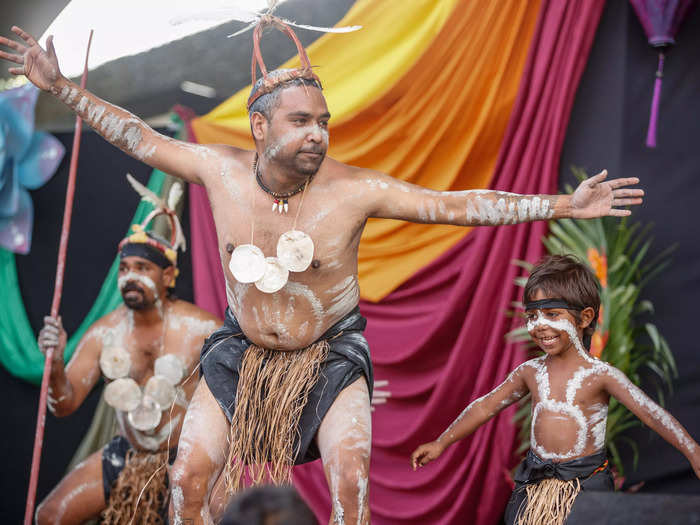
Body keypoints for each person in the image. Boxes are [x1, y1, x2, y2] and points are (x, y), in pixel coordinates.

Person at [1, 18, 645, 524]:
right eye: (301, 121)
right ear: (259, 127)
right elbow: (138, 136)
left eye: (323, 122)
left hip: (332, 358)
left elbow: (456, 207)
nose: (318, 134)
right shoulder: (218, 170)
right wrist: (60, 89)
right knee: (186, 481)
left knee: (350, 488)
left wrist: (563, 203)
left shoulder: (354, 190)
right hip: (240, 355)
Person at [410, 255, 700, 525]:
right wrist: (442, 442)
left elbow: (650, 414)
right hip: (534, 487)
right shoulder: (530, 372)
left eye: (551, 313)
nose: (539, 325)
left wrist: (693, 451)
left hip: (586, 489)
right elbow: (486, 406)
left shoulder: (601, 376)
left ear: (585, 318)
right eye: (532, 316)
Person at [34, 182, 222, 524]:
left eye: (142, 268)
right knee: (48, 516)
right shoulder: (105, 332)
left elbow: (236, 401)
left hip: (189, 458)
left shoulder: (202, 329)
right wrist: (58, 364)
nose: (129, 278)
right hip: (129, 454)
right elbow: (63, 405)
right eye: (124, 269)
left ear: (167, 275)